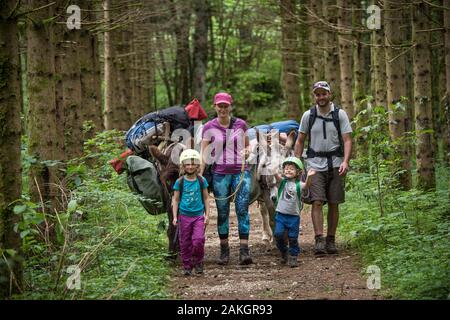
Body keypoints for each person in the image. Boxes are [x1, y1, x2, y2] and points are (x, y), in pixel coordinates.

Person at [294, 81, 352, 255]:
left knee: (334, 203)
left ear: (330, 94)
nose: (321, 97)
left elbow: (347, 140)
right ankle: (319, 239)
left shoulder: (339, 114)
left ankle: (331, 240)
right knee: (317, 201)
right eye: (317, 94)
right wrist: (297, 163)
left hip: (335, 163)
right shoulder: (308, 115)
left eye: (323, 94)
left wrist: (346, 161)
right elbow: (300, 140)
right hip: (314, 165)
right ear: (314, 96)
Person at [200, 92, 253, 265]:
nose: (222, 108)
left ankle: (244, 251)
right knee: (222, 212)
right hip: (220, 173)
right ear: (214, 107)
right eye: (219, 105)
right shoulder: (208, 127)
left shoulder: (241, 124)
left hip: (241, 172)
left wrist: (247, 151)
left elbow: (247, 146)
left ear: (230, 107)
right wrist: (200, 174)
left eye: (225, 105)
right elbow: (204, 153)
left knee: (242, 209)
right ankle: (224, 251)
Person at [172, 149, 210, 276]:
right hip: (184, 216)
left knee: (198, 240)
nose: (190, 166)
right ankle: (187, 265)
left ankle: (198, 262)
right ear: (183, 165)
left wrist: (207, 215)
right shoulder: (180, 182)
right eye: (187, 164)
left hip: (198, 216)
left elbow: (206, 198)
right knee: (185, 242)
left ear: (197, 165)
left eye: (193, 164)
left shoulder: (201, 180)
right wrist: (174, 217)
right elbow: (176, 200)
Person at [274, 157, 316, 267]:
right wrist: (274, 171)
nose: (288, 170)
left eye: (291, 169)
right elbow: (276, 177)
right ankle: (284, 251)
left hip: (293, 217)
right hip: (281, 215)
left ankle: (293, 256)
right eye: (286, 168)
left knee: (293, 237)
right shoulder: (282, 183)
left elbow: (307, 186)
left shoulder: (299, 185)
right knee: (278, 234)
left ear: (298, 172)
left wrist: (309, 177)